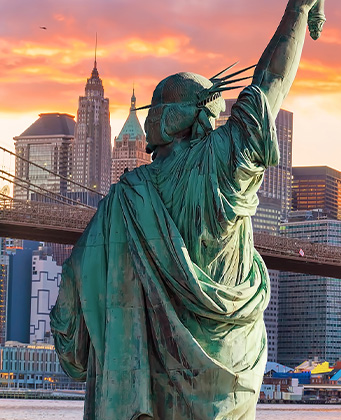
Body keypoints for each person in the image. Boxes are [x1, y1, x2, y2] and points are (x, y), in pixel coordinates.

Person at [50, 1, 325, 418]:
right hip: (230, 381)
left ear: (160, 121)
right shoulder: (224, 166)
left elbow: (69, 311)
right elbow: (269, 83)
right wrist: (298, 11)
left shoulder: (124, 201)